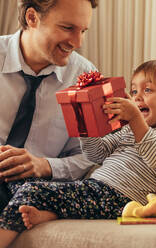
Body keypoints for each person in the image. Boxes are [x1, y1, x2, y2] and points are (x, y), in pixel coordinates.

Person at [0, 59, 156, 247]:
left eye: (148, 90)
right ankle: (48, 214)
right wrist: (84, 123)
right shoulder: (128, 129)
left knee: (32, 192)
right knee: (19, 182)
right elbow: (96, 154)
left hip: (121, 198)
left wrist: (135, 119)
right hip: (97, 188)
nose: (137, 98)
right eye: (134, 91)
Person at [0, 0, 99, 211]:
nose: (77, 42)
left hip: (32, 190)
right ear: (32, 18)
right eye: (68, 28)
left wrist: (44, 165)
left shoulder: (86, 79)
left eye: (83, 31)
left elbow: (91, 155)